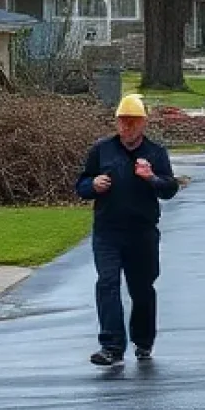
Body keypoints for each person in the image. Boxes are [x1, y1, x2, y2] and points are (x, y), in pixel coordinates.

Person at [76, 92, 180, 367]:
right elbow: (82, 185)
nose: (126, 127)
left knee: (142, 289)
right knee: (107, 284)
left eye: (132, 122)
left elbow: (170, 189)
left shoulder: (155, 153)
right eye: (122, 121)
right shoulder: (102, 149)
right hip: (107, 231)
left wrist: (151, 178)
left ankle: (143, 342)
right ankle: (111, 346)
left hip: (142, 232)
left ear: (143, 123)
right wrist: (92, 185)